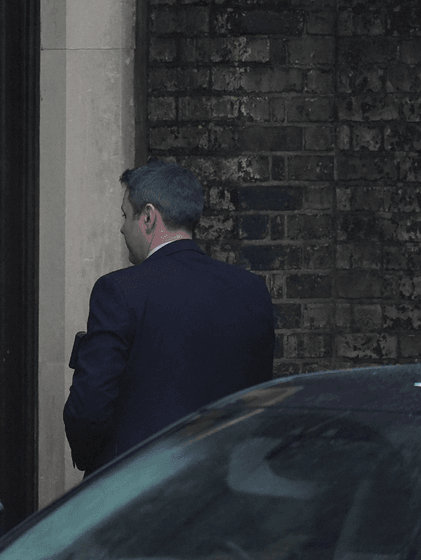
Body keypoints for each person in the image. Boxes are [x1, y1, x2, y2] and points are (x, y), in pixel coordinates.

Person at [63, 158, 275, 475]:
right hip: (225, 482)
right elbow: (258, 402)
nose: (122, 227)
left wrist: (96, 465)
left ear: (148, 217)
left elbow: (89, 409)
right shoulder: (252, 291)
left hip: (139, 486)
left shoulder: (119, 291)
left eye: (126, 215)